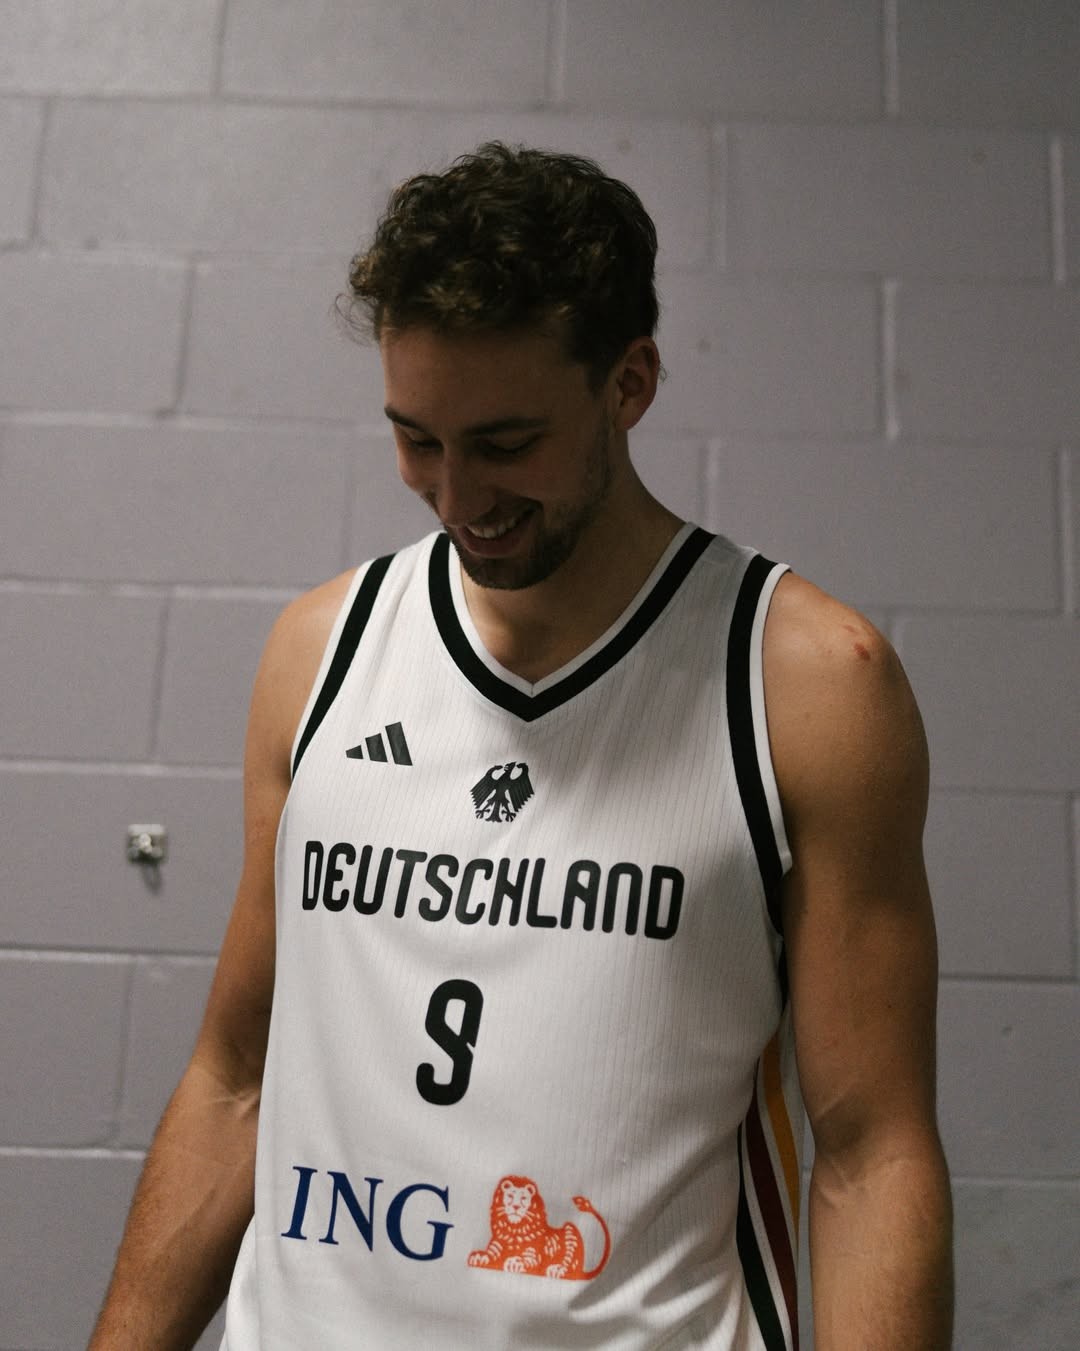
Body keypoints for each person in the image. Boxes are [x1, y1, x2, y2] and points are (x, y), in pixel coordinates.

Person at [91, 142, 953, 1350]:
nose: (456, 498)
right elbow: (234, 1078)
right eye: (416, 440)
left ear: (630, 382)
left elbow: (872, 1155)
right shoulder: (321, 651)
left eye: (504, 444)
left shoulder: (805, 684)